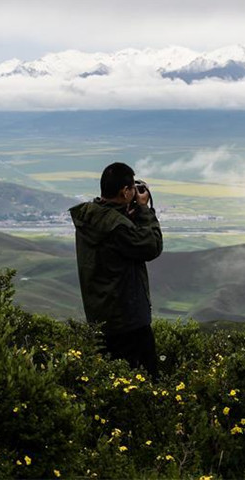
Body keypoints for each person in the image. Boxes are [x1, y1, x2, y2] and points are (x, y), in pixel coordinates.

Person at [69, 162, 163, 379]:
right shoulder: (117, 227)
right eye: (132, 188)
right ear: (125, 191)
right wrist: (144, 210)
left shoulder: (90, 217)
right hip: (128, 319)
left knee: (110, 379)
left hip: (100, 315)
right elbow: (152, 246)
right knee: (147, 379)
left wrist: (128, 213)